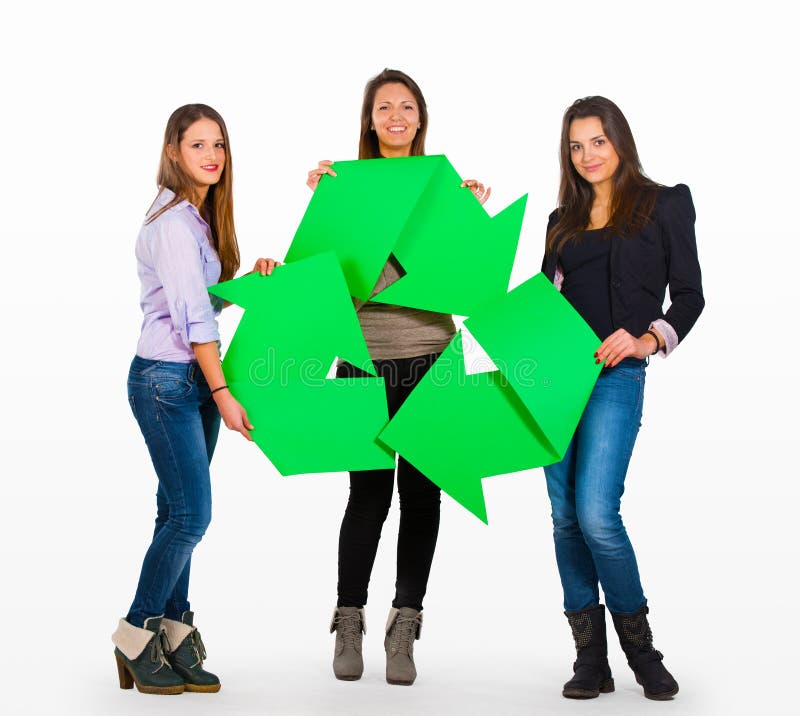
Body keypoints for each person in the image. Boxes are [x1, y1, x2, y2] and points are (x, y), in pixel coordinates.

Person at [306, 68, 490, 686]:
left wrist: (473, 220)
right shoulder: (343, 186)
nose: (395, 116)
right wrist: (323, 204)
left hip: (430, 357)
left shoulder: (443, 190)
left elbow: (470, 278)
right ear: (370, 118)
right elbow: (319, 275)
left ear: (420, 117)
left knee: (422, 494)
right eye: (384, 107)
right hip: (360, 356)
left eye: (406, 106)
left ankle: (405, 623)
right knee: (367, 494)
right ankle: (349, 617)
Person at [540, 95, 704, 701]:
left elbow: (689, 295)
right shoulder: (561, 220)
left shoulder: (664, 205)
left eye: (597, 142)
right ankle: (590, 660)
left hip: (615, 381)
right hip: (554, 384)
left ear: (619, 140)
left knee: (596, 515)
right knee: (563, 519)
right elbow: (546, 306)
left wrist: (645, 339)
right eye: (576, 146)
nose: (587, 156)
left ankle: (641, 651)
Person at [112, 104, 278, 695]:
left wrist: (247, 286)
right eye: (197, 144)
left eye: (219, 145)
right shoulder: (175, 224)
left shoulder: (195, 218)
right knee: (191, 515)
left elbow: (201, 305)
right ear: (174, 152)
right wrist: (223, 392)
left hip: (184, 380)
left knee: (174, 513)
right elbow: (192, 322)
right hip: (166, 383)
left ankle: (175, 632)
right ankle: (136, 633)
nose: (211, 155)